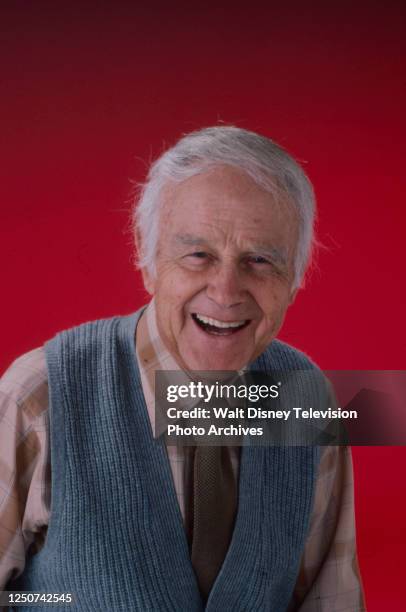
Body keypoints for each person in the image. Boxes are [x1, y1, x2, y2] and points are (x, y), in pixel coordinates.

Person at [0, 126, 366, 610]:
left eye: (260, 260)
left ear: (296, 278)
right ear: (146, 255)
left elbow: (330, 602)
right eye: (199, 255)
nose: (226, 290)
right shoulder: (38, 397)